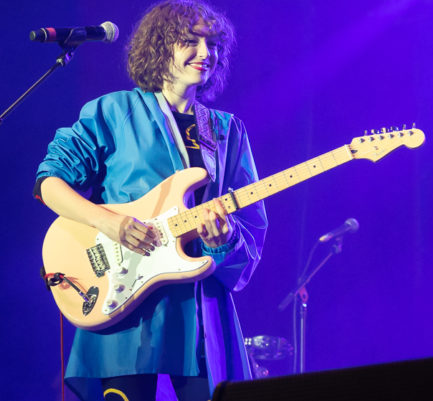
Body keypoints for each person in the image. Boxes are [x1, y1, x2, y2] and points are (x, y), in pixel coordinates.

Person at [34, 1, 267, 399]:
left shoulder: (227, 130)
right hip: (123, 303)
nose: (206, 52)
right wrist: (111, 223)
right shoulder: (113, 111)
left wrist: (224, 238)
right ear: (160, 46)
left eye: (213, 44)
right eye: (190, 41)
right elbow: (50, 184)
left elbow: (251, 227)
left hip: (198, 310)